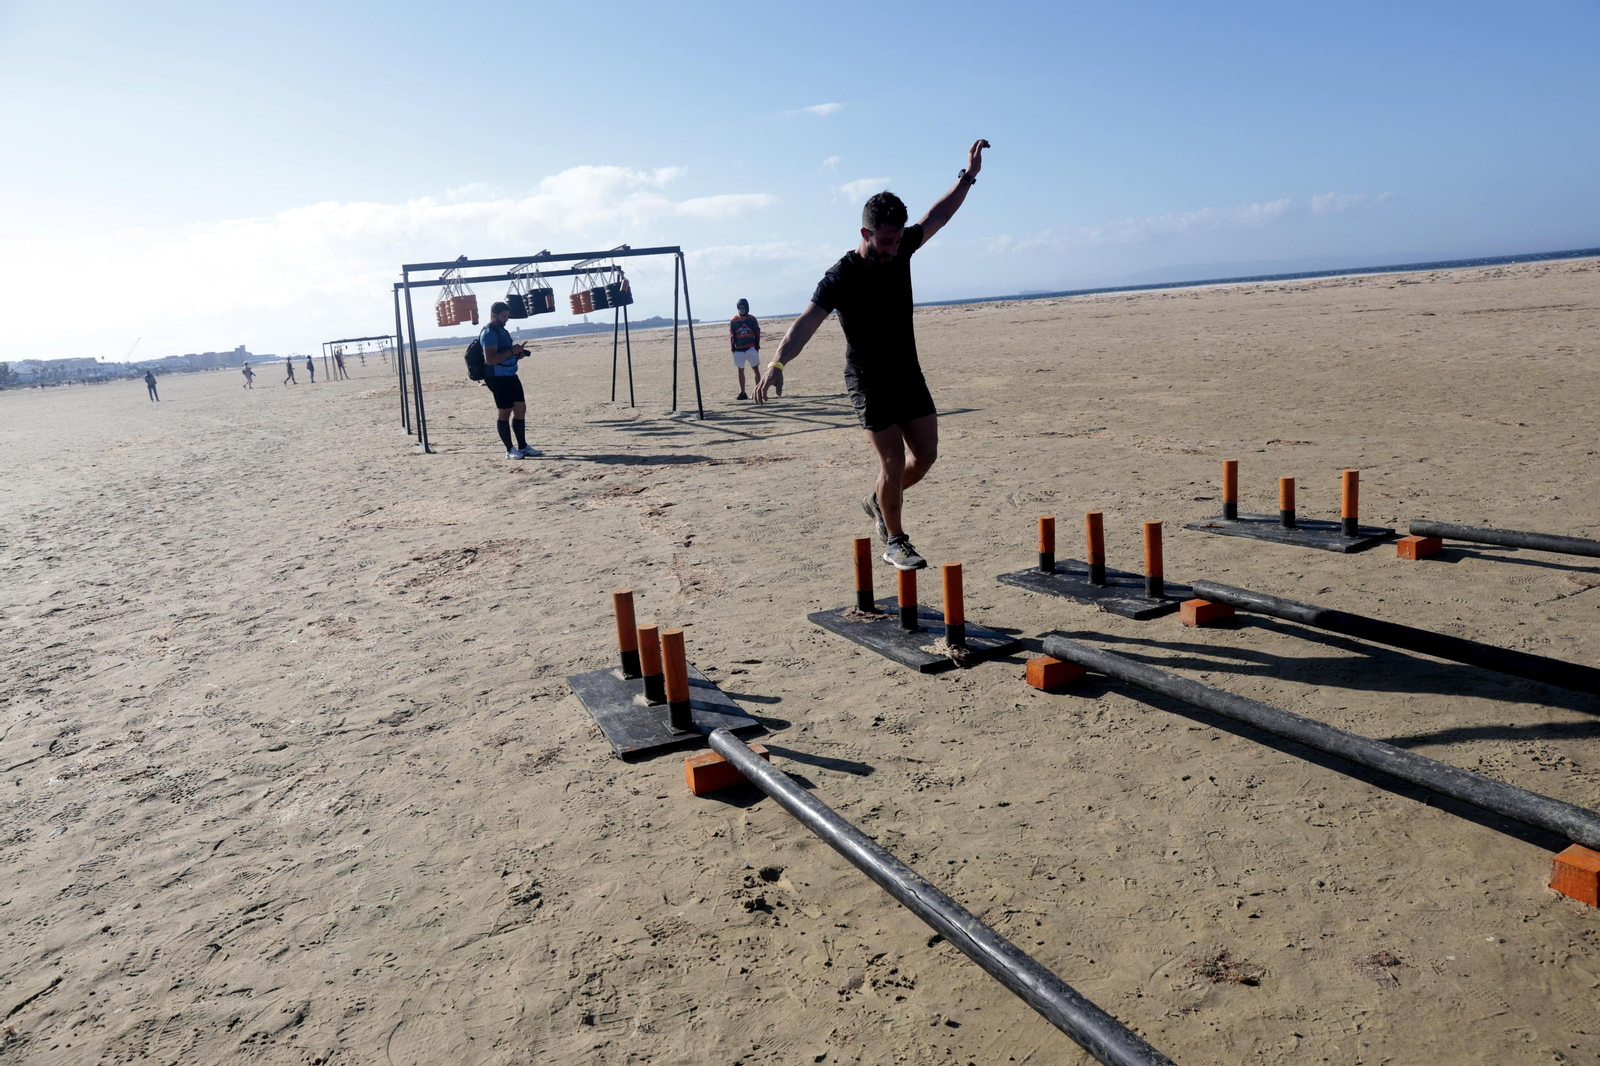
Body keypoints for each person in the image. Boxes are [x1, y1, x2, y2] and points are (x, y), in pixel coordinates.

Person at [755, 139, 989, 571]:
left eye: (898, 240)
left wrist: (968, 175)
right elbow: (805, 322)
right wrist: (777, 363)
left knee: (926, 456)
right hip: (868, 379)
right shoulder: (840, 276)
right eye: (885, 241)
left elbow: (939, 216)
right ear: (866, 234)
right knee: (894, 460)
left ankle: (877, 501)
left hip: (907, 372)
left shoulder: (902, 249)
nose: (893, 248)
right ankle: (895, 540)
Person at [481, 302, 541, 458]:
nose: (506, 319)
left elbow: (505, 355)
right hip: (497, 377)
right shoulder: (489, 333)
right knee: (504, 412)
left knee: (520, 409)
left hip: (510, 375)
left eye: (507, 316)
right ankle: (509, 450)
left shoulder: (502, 330)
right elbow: (490, 359)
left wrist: (517, 354)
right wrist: (511, 350)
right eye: (503, 316)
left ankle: (523, 446)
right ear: (493, 315)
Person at [729, 299, 761, 400]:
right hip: (739, 350)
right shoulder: (734, 320)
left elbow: (757, 333)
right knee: (740, 370)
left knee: (755, 369)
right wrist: (733, 348)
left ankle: (758, 391)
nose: (741, 310)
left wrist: (757, 347)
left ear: (746, 308)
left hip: (751, 348)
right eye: (739, 308)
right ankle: (743, 392)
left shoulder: (752, 319)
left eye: (743, 308)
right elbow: (732, 335)